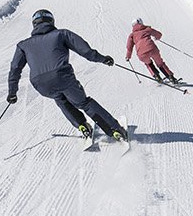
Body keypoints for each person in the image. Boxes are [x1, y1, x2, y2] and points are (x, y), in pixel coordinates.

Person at [7, 8, 127, 141]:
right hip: (62, 77)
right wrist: (103, 59)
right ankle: (114, 129)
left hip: (40, 84)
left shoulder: (23, 45)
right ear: (51, 21)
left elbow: (15, 69)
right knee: (84, 103)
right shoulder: (61, 34)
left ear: (34, 24)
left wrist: (12, 92)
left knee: (60, 99)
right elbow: (85, 51)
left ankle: (82, 125)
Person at [126, 17, 180, 84]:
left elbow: (129, 47)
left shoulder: (132, 35)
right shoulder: (146, 29)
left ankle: (156, 76)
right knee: (160, 63)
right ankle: (171, 77)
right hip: (152, 48)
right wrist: (157, 37)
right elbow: (158, 34)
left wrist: (128, 56)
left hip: (141, 53)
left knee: (148, 64)